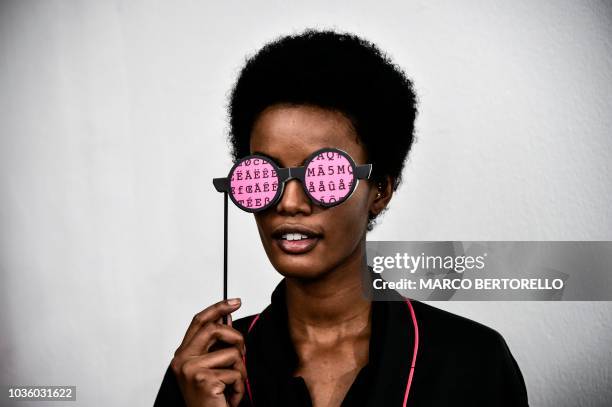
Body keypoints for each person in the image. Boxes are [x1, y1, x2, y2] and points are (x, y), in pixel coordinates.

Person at [154, 29, 529, 407]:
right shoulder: (203, 375)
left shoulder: (472, 362)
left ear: (379, 190)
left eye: (324, 175)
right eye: (264, 176)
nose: (289, 203)